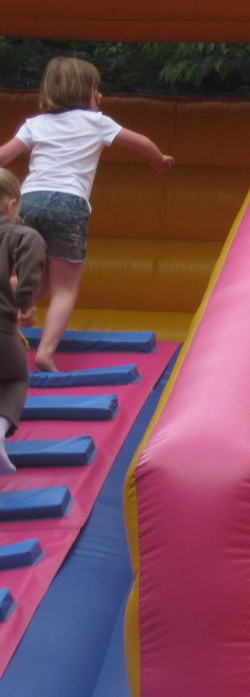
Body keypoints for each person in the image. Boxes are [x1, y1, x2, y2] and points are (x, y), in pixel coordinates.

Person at [0, 56, 174, 371]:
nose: (101, 97)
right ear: (84, 93)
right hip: (68, 206)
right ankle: (46, 352)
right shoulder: (97, 122)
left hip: (30, 202)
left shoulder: (35, 124)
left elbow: (4, 155)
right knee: (65, 287)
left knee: (37, 282)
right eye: (97, 90)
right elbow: (141, 142)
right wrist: (158, 159)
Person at [0, 169, 46, 473]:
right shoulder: (12, 232)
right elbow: (30, 242)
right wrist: (27, 301)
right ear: (10, 204)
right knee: (15, 378)